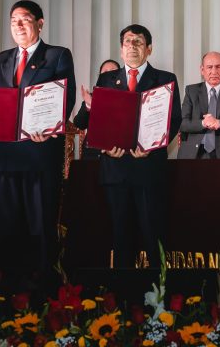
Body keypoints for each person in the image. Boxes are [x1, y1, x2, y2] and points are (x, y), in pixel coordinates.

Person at [0, 0, 76, 286]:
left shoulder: (57, 55)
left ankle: (43, 283)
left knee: (40, 221)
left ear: (40, 23)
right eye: (14, 20)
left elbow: (66, 97)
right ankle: (12, 284)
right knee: (9, 222)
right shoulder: (1, 58)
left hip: (40, 151)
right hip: (7, 154)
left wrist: (51, 128)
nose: (19, 25)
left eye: (25, 19)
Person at [76, 24, 181, 268]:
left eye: (138, 42)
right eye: (127, 42)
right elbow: (97, 121)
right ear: (121, 50)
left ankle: (158, 300)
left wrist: (153, 146)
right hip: (116, 170)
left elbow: (173, 119)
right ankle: (122, 301)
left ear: (149, 49)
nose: (132, 46)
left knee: (154, 240)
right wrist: (104, 145)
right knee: (121, 240)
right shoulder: (106, 79)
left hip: (149, 170)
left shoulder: (165, 79)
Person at [178, 52, 220, 159]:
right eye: (209, 67)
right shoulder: (191, 91)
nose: (214, 72)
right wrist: (203, 123)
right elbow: (182, 123)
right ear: (202, 69)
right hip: (193, 154)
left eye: (218, 67)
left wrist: (219, 123)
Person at [72, 59, 120, 160]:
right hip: (93, 155)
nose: (109, 74)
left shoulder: (127, 97)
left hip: (119, 153)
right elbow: (79, 123)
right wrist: (89, 105)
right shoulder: (91, 97)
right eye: (105, 72)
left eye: (113, 70)